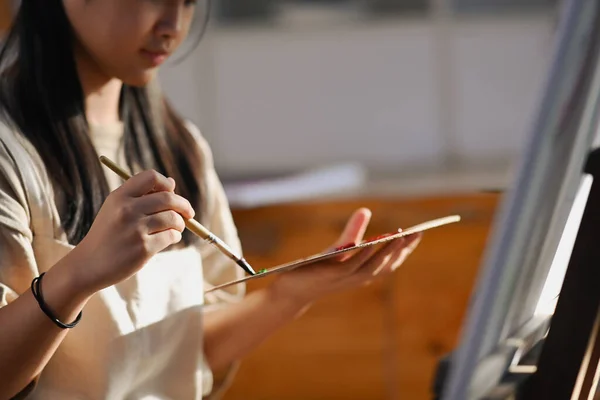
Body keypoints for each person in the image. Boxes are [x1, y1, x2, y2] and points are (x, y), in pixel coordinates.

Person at [0, 1, 422, 399]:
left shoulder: (178, 146)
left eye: (187, 2)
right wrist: (78, 275)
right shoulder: (10, 150)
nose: (173, 25)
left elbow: (187, 350)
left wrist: (290, 294)